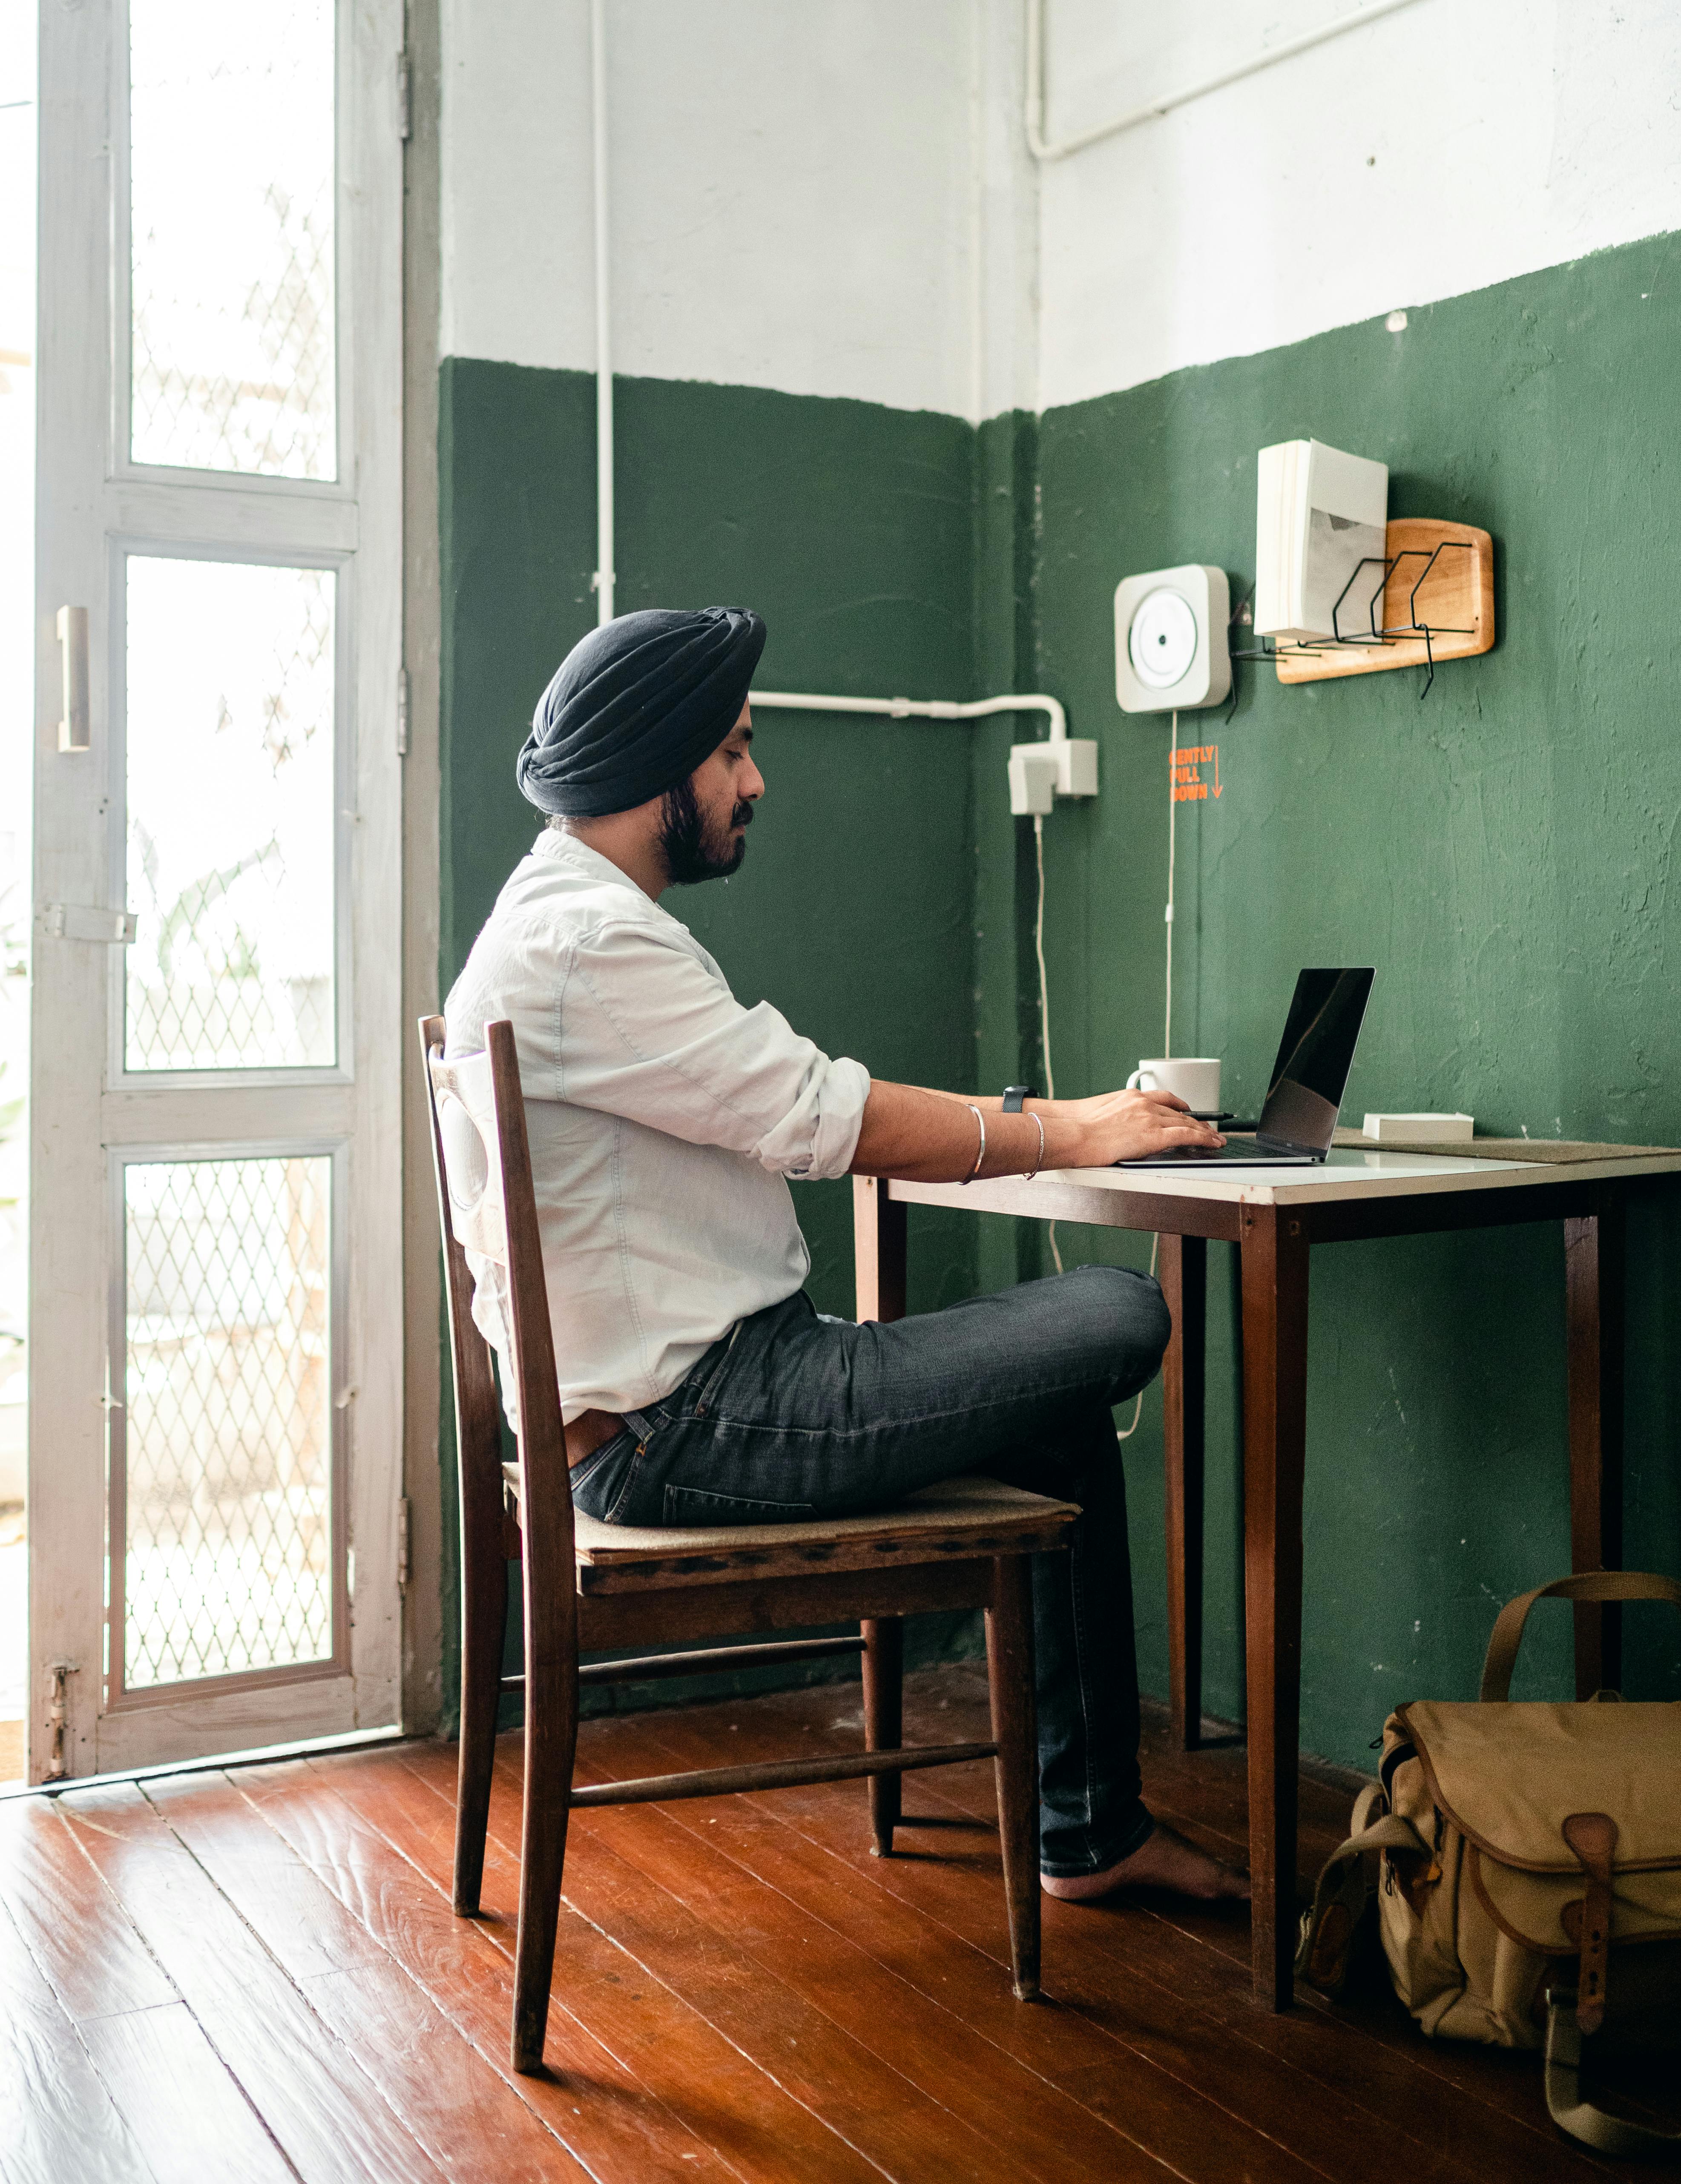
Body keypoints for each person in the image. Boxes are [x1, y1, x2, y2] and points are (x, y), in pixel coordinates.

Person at [445, 606, 1247, 1905]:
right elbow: (820, 1115)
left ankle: (1091, 1831)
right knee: (1113, 1315)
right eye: (733, 754)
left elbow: (791, 1104)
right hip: (695, 1423)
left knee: (1054, 1416)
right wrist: (1073, 1126)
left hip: (679, 1406)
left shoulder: (552, 917)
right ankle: (1090, 1827)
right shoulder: (593, 942)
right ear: (660, 769)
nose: (753, 782)